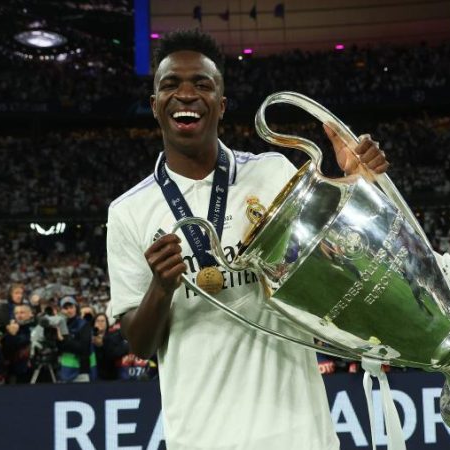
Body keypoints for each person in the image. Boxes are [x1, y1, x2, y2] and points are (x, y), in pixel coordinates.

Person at [106, 29, 387, 449]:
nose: (186, 94)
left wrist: (357, 188)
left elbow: (344, 264)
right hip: (200, 438)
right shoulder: (129, 211)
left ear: (221, 104)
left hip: (299, 433)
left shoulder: (271, 173)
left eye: (202, 84)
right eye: (171, 84)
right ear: (154, 105)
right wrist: (161, 288)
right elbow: (140, 344)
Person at [56, 296, 96, 382]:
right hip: (63, 370)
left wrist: (64, 339)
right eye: (66, 308)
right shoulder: (59, 325)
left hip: (81, 371)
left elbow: (83, 348)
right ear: (61, 310)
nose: (69, 310)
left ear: (76, 308)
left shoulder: (83, 325)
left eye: (71, 307)